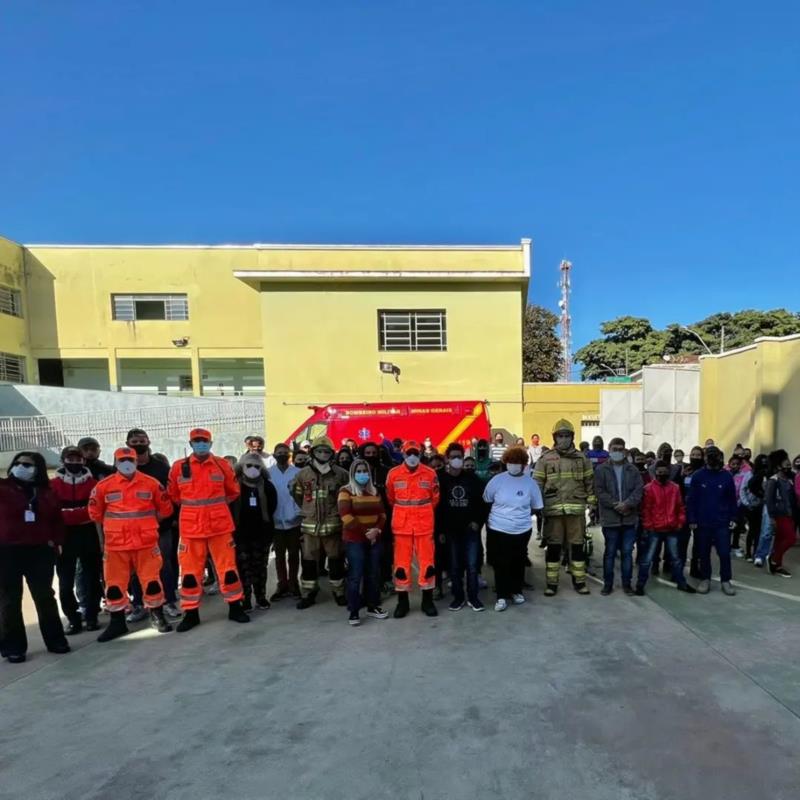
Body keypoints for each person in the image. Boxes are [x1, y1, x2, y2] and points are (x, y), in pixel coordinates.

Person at [168, 428, 250, 631]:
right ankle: (191, 613)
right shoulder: (179, 467)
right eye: (197, 441)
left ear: (211, 443)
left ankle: (235, 607)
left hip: (219, 527)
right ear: (191, 444)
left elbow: (233, 492)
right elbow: (174, 496)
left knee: (228, 570)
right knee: (189, 574)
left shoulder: (222, 465)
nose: (200, 444)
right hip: (191, 529)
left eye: (204, 440)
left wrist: (212, 509)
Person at [88, 447, 174, 641]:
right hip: (116, 545)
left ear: (137, 461)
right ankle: (117, 623)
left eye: (130, 459)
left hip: (145, 543)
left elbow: (166, 509)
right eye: (122, 460)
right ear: (115, 462)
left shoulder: (151, 484)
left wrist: (148, 524)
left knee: (152, 582)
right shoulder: (103, 486)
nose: (127, 463)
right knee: (114, 585)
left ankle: (157, 616)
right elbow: (95, 514)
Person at [0, 452, 70, 664]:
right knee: (9, 600)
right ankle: (13, 647)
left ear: (38, 469)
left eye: (28, 465)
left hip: (39, 551)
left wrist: (55, 542)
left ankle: (55, 640)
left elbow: (57, 520)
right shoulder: (2, 488)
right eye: (19, 463)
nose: (22, 467)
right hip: (6, 551)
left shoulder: (46, 493)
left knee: (45, 596)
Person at [126, 428, 181, 621]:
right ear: (128, 444)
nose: (139, 444)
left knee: (163, 564)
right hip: (131, 529)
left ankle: (169, 601)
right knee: (135, 568)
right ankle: (139, 604)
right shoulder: (123, 469)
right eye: (134, 441)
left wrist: (173, 518)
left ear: (149, 442)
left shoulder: (161, 469)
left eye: (142, 440)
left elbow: (172, 495)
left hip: (160, 528)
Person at [534, 419, 594, 596]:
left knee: (577, 547)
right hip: (553, 512)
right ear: (555, 437)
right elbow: (537, 483)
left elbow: (590, 482)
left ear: (572, 437)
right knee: (553, 548)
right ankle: (551, 584)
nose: (564, 439)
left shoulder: (582, 458)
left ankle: (579, 582)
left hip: (576, 511)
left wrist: (591, 504)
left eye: (567, 436)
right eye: (560, 436)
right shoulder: (545, 459)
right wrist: (539, 506)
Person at [291, 435, 349, 609]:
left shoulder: (341, 474)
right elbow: (298, 496)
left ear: (332, 453)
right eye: (319, 451)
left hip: (333, 526)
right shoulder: (302, 474)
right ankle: (309, 594)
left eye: (326, 451)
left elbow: (346, 498)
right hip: (310, 528)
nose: (323, 454)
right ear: (313, 452)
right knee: (308, 562)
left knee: (336, 561)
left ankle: (339, 592)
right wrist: (308, 511)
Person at [483, 447, 542, 611]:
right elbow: (487, 500)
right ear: (505, 463)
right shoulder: (497, 480)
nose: (514, 465)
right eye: (511, 462)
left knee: (518, 561)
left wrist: (521, 516)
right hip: (498, 529)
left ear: (524, 465)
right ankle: (501, 596)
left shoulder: (530, 483)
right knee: (501, 563)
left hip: (522, 530)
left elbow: (536, 506)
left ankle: (516, 591)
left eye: (518, 462)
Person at [386, 440, 440, 618]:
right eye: (409, 453)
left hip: (424, 527)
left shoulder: (430, 473)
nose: (412, 457)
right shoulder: (393, 474)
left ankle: (427, 600)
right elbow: (391, 498)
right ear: (403, 454)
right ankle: (403, 602)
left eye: (415, 453)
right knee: (401, 566)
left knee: (428, 565)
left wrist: (421, 512)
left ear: (421, 454)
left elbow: (435, 498)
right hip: (402, 527)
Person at [50, 446, 101, 634]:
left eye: (78, 459)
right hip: (63, 536)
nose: (74, 463)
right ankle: (73, 619)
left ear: (83, 461)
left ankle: (92, 616)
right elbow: (50, 512)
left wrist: (67, 514)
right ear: (63, 461)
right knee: (65, 582)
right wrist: (78, 514)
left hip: (88, 534)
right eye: (70, 459)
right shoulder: (52, 485)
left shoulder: (94, 484)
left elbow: (96, 510)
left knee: (92, 578)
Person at [337, 459, 389, 625]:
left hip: (374, 539)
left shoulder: (375, 492)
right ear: (353, 473)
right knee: (355, 575)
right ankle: (354, 610)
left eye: (364, 471)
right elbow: (346, 516)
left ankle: (372, 606)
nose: (362, 474)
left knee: (373, 574)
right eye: (358, 471)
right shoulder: (345, 491)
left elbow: (382, 515)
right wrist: (366, 532)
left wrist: (377, 530)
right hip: (355, 540)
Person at [437, 443, 488, 611]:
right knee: (454, 566)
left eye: (459, 456)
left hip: (470, 531)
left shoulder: (472, 479)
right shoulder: (441, 479)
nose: (456, 460)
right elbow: (438, 507)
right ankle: (458, 598)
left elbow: (483, 504)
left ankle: (473, 598)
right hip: (451, 531)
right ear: (447, 459)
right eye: (453, 457)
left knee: (472, 566)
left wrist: (477, 522)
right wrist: (441, 530)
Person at [594, 437, 644, 596]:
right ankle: (607, 584)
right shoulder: (601, 470)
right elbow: (599, 491)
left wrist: (627, 504)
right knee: (610, 552)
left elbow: (639, 490)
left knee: (627, 553)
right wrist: (616, 505)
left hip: (629, 519)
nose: (617, 452)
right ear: (609, 449)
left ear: (625, 451)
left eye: (620, 449)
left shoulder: (633, 470)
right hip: (610, 519)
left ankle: (627, 584)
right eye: (614, 449)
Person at [637, 461, 696, 594]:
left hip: (672, 529)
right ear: (655, 473)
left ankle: (681, 583)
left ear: (669, 473)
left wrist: (680, 522)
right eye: (659, 472)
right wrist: (649, 526)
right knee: (647, 559)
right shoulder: (648, 488)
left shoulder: (674, 488)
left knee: (675, 558)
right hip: (654, 530)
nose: (662, 475)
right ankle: (640, 584)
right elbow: (646, 510)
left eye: (665, 472)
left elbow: (680, 507)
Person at [686, 446, 738, 595]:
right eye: (710, 455)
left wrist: (733, 517)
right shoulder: (697, 476)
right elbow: (691, 500)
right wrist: (692, 519)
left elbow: (732, 499)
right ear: (705, 458)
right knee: (703, 552)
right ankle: (705, 579)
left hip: (722, 522)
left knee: (724, 553)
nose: (713, 458)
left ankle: (726, 580)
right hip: (702, 522)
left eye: (716, 455)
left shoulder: (726, 476)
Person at [231, 453, 278, 610]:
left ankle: (261, 597)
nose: (252, 469)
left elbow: (272, 507)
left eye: (256, 466)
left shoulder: (267, 486)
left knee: (260, 567)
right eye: (249, 466)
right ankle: (245, 599)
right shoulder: (234, 486)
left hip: (262, 534)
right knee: (243, 568)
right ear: (241, 467)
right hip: (240, 535)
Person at [267, 442, 302, 600]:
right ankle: (282, 584)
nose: (282, 455)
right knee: (279, 555)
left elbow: (302, 497)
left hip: (294, 520)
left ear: (289, 455)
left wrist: (298, 514)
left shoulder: (298, 472)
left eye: (284, 453)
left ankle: (294, 584)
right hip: (275, 521)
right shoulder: (268, 473)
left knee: (294, 554)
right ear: (274, 455)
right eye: (278, 452)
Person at [764, 450, 797, 577]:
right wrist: (772, 517)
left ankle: (777, 566)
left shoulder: (789, 480)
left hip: (789, 514)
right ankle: (773, 558)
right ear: (778, 466)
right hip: (779, 515)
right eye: (786, 463)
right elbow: (769, 500)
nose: (789, 465)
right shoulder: (774, 480)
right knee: (790, 539)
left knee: (780, 540)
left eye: (789, 463)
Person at [740, 454, 768, 561]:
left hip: (762, 505)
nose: (764, 464)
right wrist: (747, 503)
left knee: (759, 530)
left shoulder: (766, 475)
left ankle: (757, 552)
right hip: (750, 505)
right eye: (762, 461)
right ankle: (748, 553)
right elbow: (743, 489)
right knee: (752, 529)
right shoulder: (749, 474)